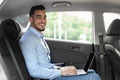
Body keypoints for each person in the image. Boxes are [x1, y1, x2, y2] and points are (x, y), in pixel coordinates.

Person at [19, 5, 101, 80]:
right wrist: (61, 72)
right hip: (46, 78)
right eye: (38, 17)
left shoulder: (38, 37)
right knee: (94, 77)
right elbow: (34, 71)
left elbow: (44, 65)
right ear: (31, 19)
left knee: (91, 71)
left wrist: (60, 68)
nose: (43, 20)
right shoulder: (28, 40)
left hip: (51, 74)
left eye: (44, 17)